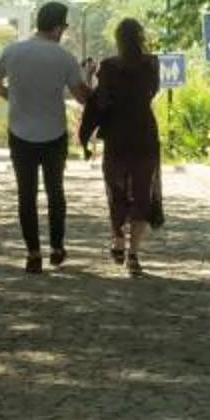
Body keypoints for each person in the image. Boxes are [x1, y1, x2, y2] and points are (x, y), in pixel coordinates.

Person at [0, 1, 87, 272]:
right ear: (56, 28)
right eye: (64, 27)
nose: (64, 32)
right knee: (56, 192)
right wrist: (89, 77)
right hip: (54, 133)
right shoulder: (64, 57)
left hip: (20, 133)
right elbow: (82, 97)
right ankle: (56, 246)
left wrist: (9, 95)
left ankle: (33, 253)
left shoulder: (14, 52)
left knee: (26, 195)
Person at [79, 16, 164, 274]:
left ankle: (117, 239)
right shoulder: (152, 64)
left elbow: (100, 103)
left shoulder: (109, 66)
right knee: (141, 194)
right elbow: (152, 92)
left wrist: (89, 77)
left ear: (117, 39)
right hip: (144, 135)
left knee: (116, 192)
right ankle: (134, 254)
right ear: (140, 38)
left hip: (117, 137)